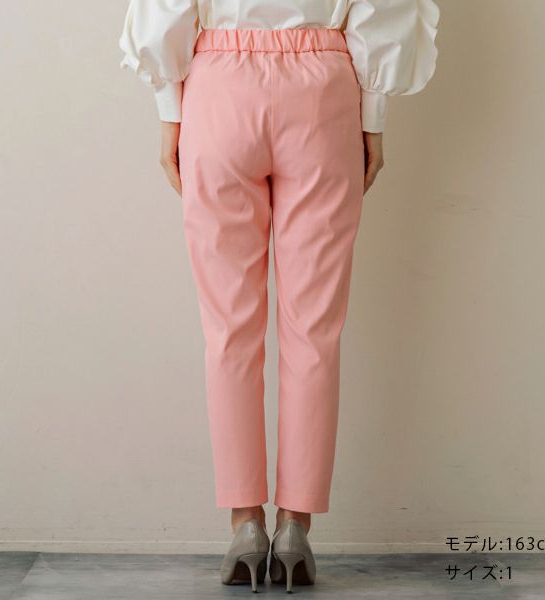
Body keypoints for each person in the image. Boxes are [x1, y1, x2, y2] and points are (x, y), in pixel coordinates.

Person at [119, 0, 440, 592]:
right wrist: (372, 118)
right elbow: (380, 8)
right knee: (314, 331)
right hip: (323, 92)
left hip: (219, 89)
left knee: (228, 331)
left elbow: (168, 9)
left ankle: (245, 526)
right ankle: (295, 528)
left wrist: (170, 113)